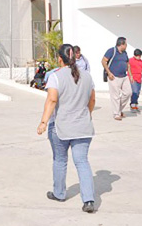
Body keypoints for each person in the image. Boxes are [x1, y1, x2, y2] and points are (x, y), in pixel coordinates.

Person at [37, 44, 97, 214]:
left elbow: (52, 100)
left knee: (60, 160)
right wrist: (87, 115)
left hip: (61, 127)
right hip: (83, 126)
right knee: (82, 161)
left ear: (60, 59)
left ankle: (59, 193)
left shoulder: (55, 77)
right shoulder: (87, 76)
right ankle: (88, 200)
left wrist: (43, 122)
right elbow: (92, 100)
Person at [102, 37, 131, 121]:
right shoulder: (111, 51)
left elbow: (128, 63)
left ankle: (119, 109)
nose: (126, 46)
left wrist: (130, 75)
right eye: (126, 44)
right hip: (114, 76)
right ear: (121, 44)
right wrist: (109, 72)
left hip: (124, 76)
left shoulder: (125, 53)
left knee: (128, 93)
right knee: (115, 96)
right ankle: (116, 114)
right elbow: (103, 61)